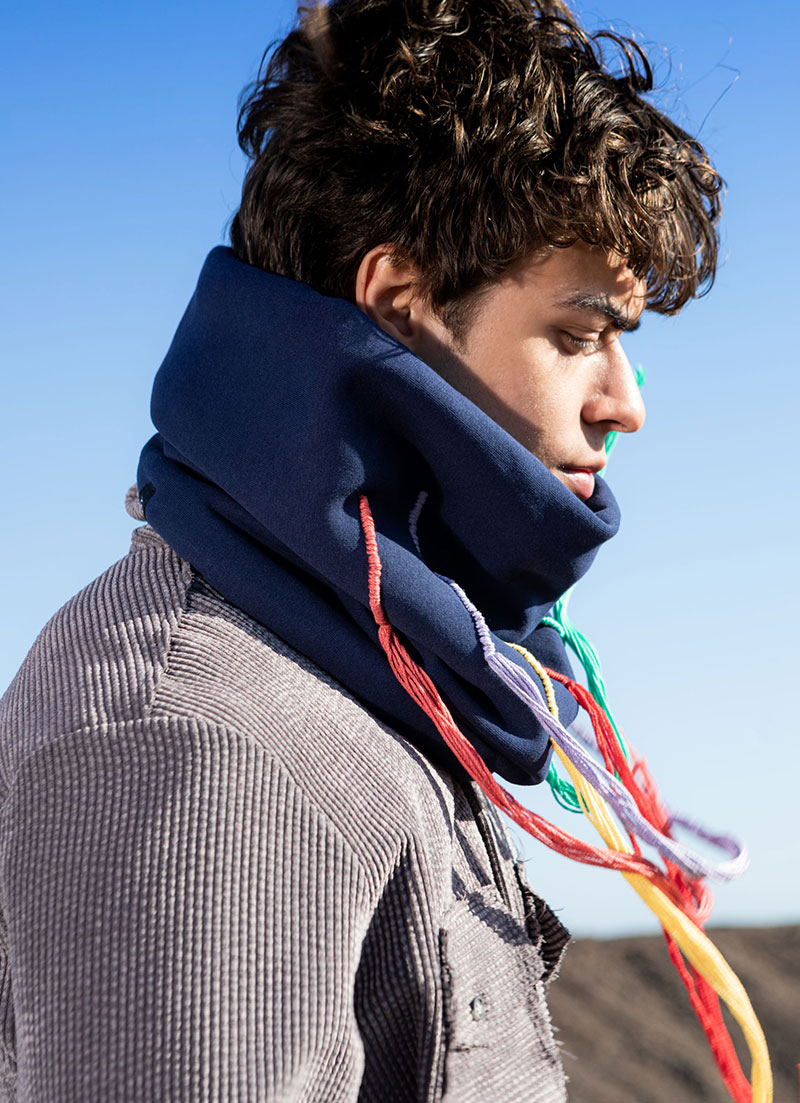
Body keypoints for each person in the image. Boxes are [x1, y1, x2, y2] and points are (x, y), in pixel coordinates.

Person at [0, 1, 721, 1100]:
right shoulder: (201, 745)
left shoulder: (378, 663)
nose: (626, 403)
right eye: (578, 335)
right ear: (397, 302)